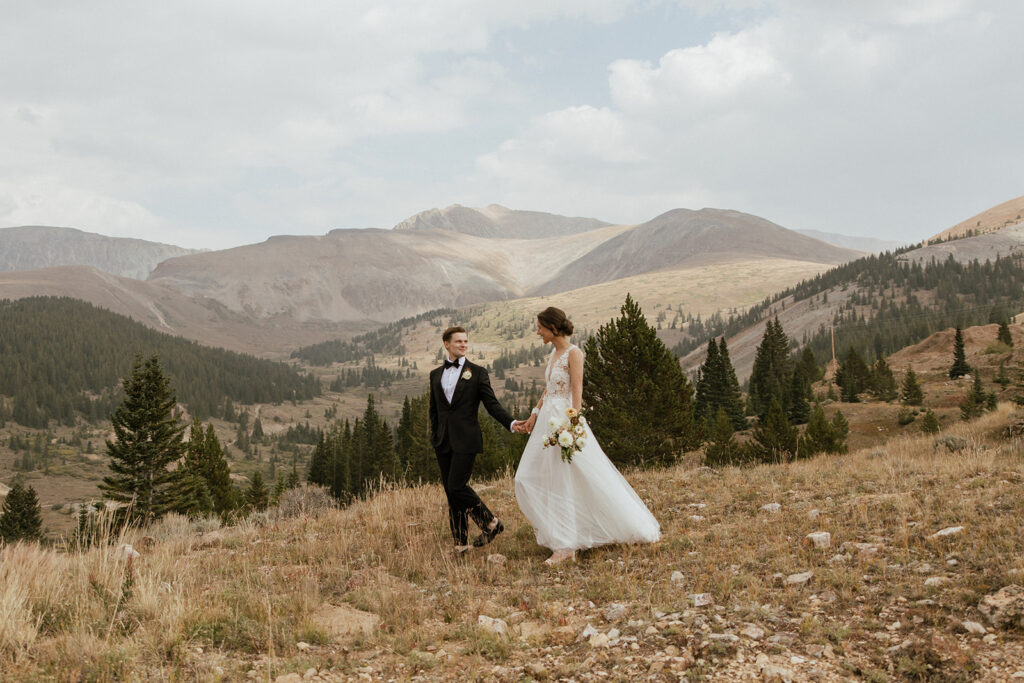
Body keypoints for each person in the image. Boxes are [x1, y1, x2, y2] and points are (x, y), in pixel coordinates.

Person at [514, 307, 660, 565]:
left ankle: (566, 545)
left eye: (540, 327)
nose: (537, 332)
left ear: (553, 328)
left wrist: (572, 425)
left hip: (563, 420)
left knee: (566, 479)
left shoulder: (574, 353)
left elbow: (577, 389)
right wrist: (535, 413)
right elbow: (549, 389)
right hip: (547, 419)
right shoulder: (553, 353)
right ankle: (562, 534)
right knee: (527, 477)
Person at [429, 326, 523, 554]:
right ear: (446, 344)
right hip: (443, 441)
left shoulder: (478, 373)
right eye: (458, 341)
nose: (463, 345)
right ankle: (460, 544)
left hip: (466, 439)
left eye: (465, 341)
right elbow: (434, 410)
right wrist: (435, 435)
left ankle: (490, 522)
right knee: (452, 494)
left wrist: (511, 423)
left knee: (457, 486)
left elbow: (491, 405)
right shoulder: (435, 374)